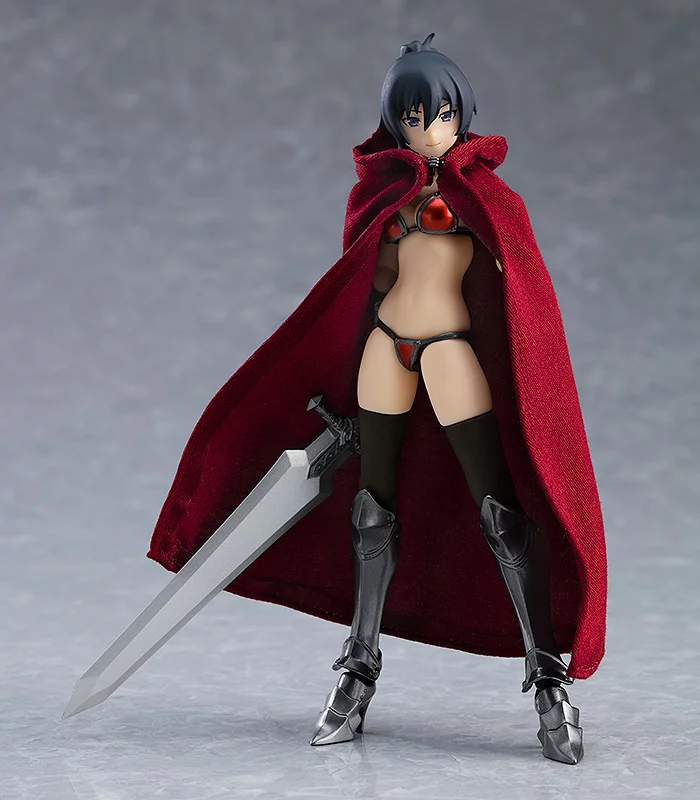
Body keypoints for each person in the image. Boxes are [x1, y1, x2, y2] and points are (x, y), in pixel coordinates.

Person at [148, 34, 607, 766]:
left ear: (462, 114)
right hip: (384, 351)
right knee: (372, 508)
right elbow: (352, 293)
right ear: (396, 123)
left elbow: (521, 307)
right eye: (414, 117)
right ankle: (358, 668)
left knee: (501, 510)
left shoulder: (489, 203)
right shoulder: (381, 196)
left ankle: (548, 676)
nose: (430, 130)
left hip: (451, 348)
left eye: (443, 114)